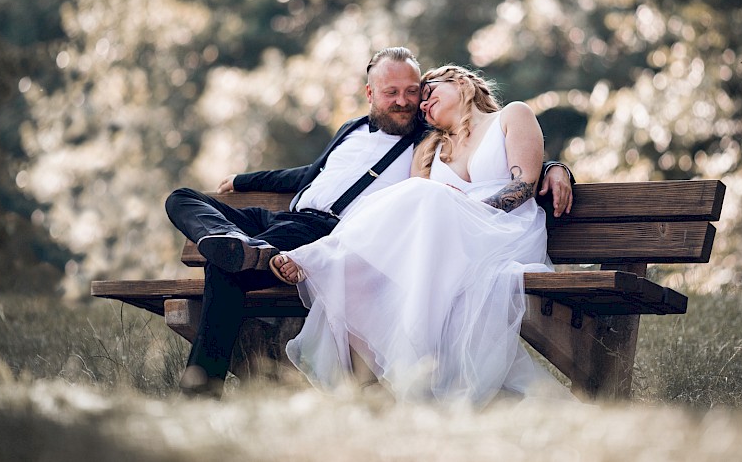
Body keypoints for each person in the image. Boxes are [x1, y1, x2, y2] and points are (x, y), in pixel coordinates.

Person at [164, 47, 573, 396]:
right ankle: (232, 240)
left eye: (416, 93)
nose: (409, 102)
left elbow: (511, 166)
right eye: (393, 93)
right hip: (283, 218)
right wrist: (242, 180)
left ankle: (203, 384)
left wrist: (557, 167)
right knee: (181, 198)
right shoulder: (359, 131)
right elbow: (311, 175)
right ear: (370, 94)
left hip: (337, 232)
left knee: (228, 270)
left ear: (460, 83)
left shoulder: (423, 139)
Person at [271, 65, 572, 405]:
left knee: (428, 196)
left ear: (460, 82)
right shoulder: (430, 149)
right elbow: (414, 221)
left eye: (429, 94)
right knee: (363, 275)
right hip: (446, 250)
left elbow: (525, 184)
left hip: (504, 233)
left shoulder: (512, 116)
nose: (424, 105)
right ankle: (385, 385)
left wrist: (466, 207)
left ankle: (322, 255)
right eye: (422, 105)